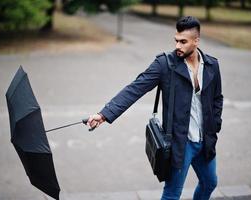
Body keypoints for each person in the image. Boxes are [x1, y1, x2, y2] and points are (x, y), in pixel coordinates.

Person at [87, 16, 223, 200]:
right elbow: (135, 88)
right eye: (176, 40)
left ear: (196, 41)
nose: (178, 46)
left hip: (205, 140)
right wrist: (104, 114)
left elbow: (217, 98)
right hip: (180, 143)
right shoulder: (165, 64)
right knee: (172, 194)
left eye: (183, 42)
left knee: (209, 183)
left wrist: (215, 124)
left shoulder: (212, 65)